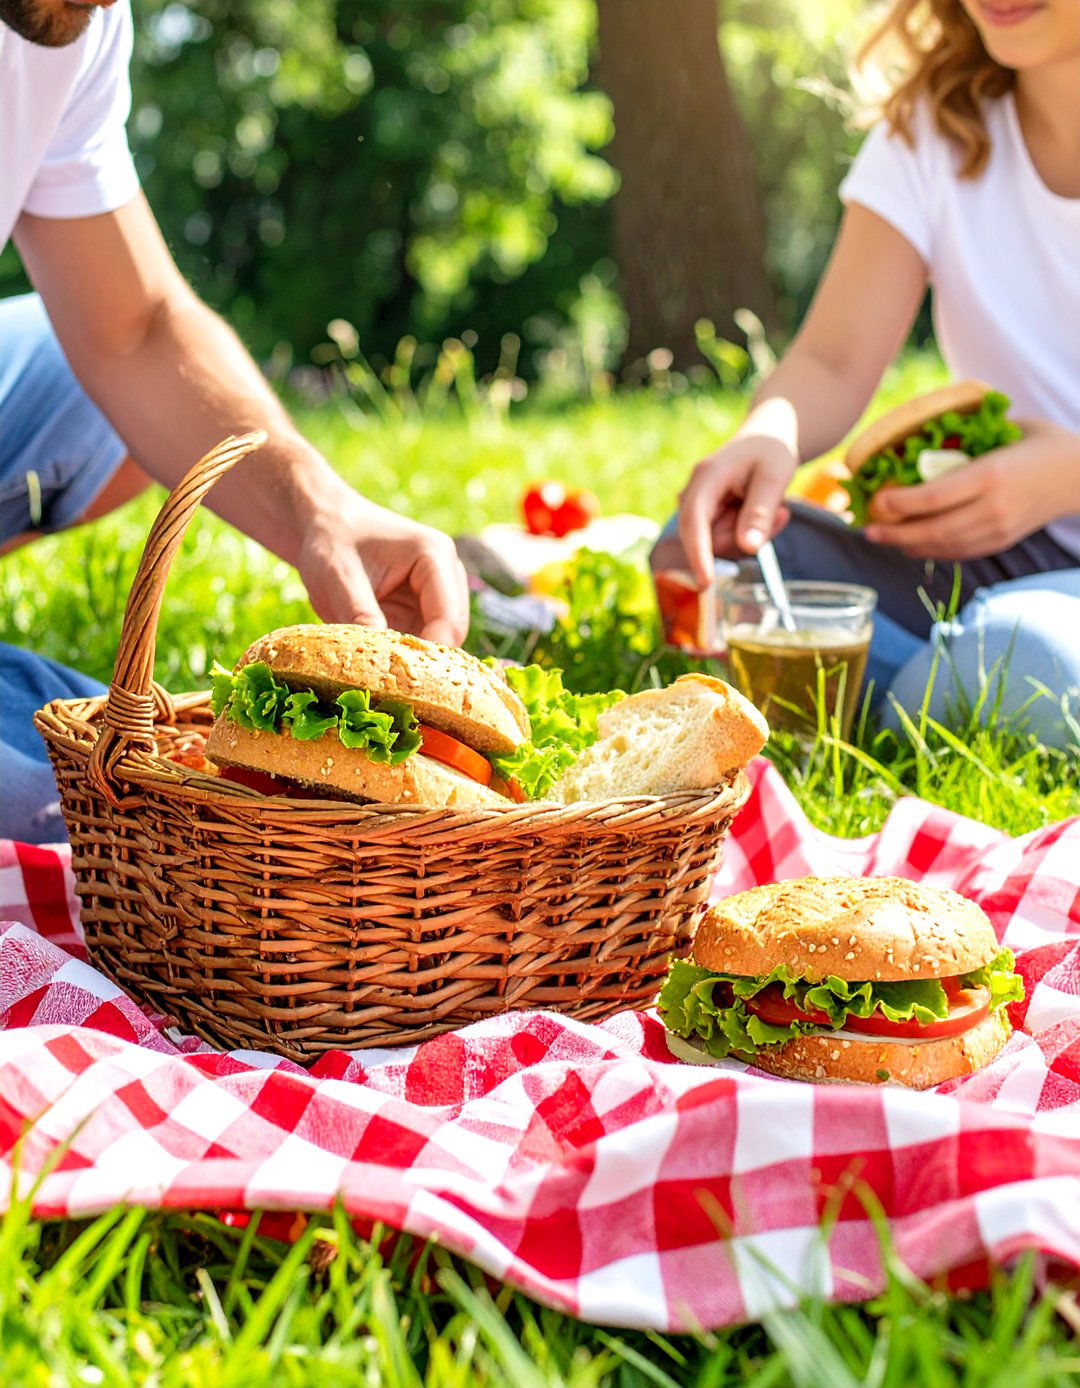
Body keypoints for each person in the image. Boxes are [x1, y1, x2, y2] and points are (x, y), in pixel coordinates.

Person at [0, 0, 469, 842]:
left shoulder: (72, 22)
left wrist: (318, 511)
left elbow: (134, 329)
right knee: (67, 821)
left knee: (90, 381)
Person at [653, 0, 1080, 745]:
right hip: (1000, 558)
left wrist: (1067, 476)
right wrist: (768, 436)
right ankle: (932, 692)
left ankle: (876, 691)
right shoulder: (935, 129)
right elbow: (833, 359)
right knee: (712, 559)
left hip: (1028, 594)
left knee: (1020, 654)